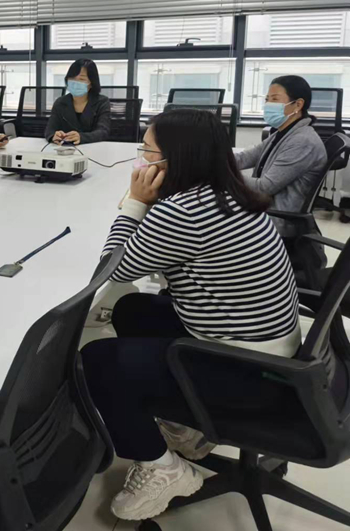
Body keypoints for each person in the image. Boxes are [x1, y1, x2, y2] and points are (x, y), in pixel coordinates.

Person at [81, 109, 302, 523]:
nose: (142, 160)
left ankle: (162, 468)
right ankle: (187, 428)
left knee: (96, 360)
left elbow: (113, 269)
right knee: (132, 309)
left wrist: (134, 204)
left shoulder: (184, 210)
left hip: (250, 372)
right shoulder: (226, 192)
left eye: (148, 152)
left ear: (176, 159)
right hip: (272, 350)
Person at [234, 75, 327, 215]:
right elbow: (245, 158)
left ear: (298, 104)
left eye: (275, 99)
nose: (268, 104)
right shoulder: (282, 133)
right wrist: (210, 160)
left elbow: (265, 187)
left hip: (277, 217)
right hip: (262, 204)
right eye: (267, 99)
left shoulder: (302, 142)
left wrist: (224, 174)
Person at [45, 59, 111, 144]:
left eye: (81, 79)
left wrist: (82, 137)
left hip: (93, 148)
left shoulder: (102, 102)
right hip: (64, 149)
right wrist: (54, 136)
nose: (76, 83)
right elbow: (49, 130)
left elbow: (103, 132)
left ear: (91, 82)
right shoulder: (60, 102)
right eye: (72, 78)